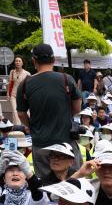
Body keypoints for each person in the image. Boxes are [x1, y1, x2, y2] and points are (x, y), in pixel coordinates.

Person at [16, 43, 82, 179]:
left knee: (46, 188)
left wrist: (30, 126)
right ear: (53, 60)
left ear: (34, 61)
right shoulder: (66, 79)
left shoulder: (24, 84)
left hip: (41, 144)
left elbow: (21, 114)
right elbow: (77, 109)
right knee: (74, 184)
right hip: (66, 142)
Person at [7, 55, 30, 124]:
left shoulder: (27, 73)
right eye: (16, 61)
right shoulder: (12, 72)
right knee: (14, 112)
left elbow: (29, 86)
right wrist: (8, 94)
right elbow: (10, 84)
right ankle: (17, 128)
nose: (17, 62)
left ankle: (26, 127)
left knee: (25, 112)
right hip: (13, 95)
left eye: (19, 61)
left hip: (23, 96)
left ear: (22, 63)